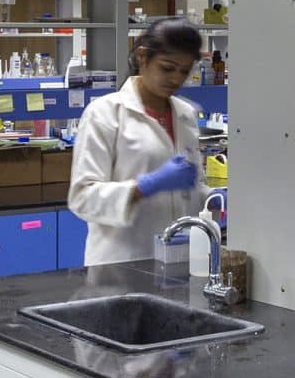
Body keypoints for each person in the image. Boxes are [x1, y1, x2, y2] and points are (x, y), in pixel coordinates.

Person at [67, 17, 208, 264]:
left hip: (178, 260)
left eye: (184, 71)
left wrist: (212, 197)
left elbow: (189, 190)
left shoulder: (185, 115)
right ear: (142, 57)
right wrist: (145, 186)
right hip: (120, 263)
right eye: (167, 68)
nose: (176, 79)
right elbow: (82, 198)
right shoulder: (105, 113)